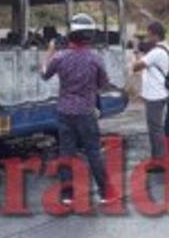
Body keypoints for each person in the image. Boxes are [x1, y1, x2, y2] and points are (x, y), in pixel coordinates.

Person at [41, 13, 116, 206]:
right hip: (86, 111)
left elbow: (44, 75)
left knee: (66, 152)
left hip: (64, 111)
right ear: (89, 36)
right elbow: (104, 84)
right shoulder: (95, 59)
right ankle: (105, 193)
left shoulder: (59, 57)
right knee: (93, 152)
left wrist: (48, 53)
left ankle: (67, 194)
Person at [132, 20, 169, 158]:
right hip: (161, 92)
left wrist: (137, 52)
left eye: (149, 35)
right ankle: (158, 157)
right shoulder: (167, 48)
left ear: (155, 35)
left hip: (155, 95)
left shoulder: (156, 52)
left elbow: (136, 67)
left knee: (155, 129)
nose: (148, 38)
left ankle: (159, 159)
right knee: (157, 127)